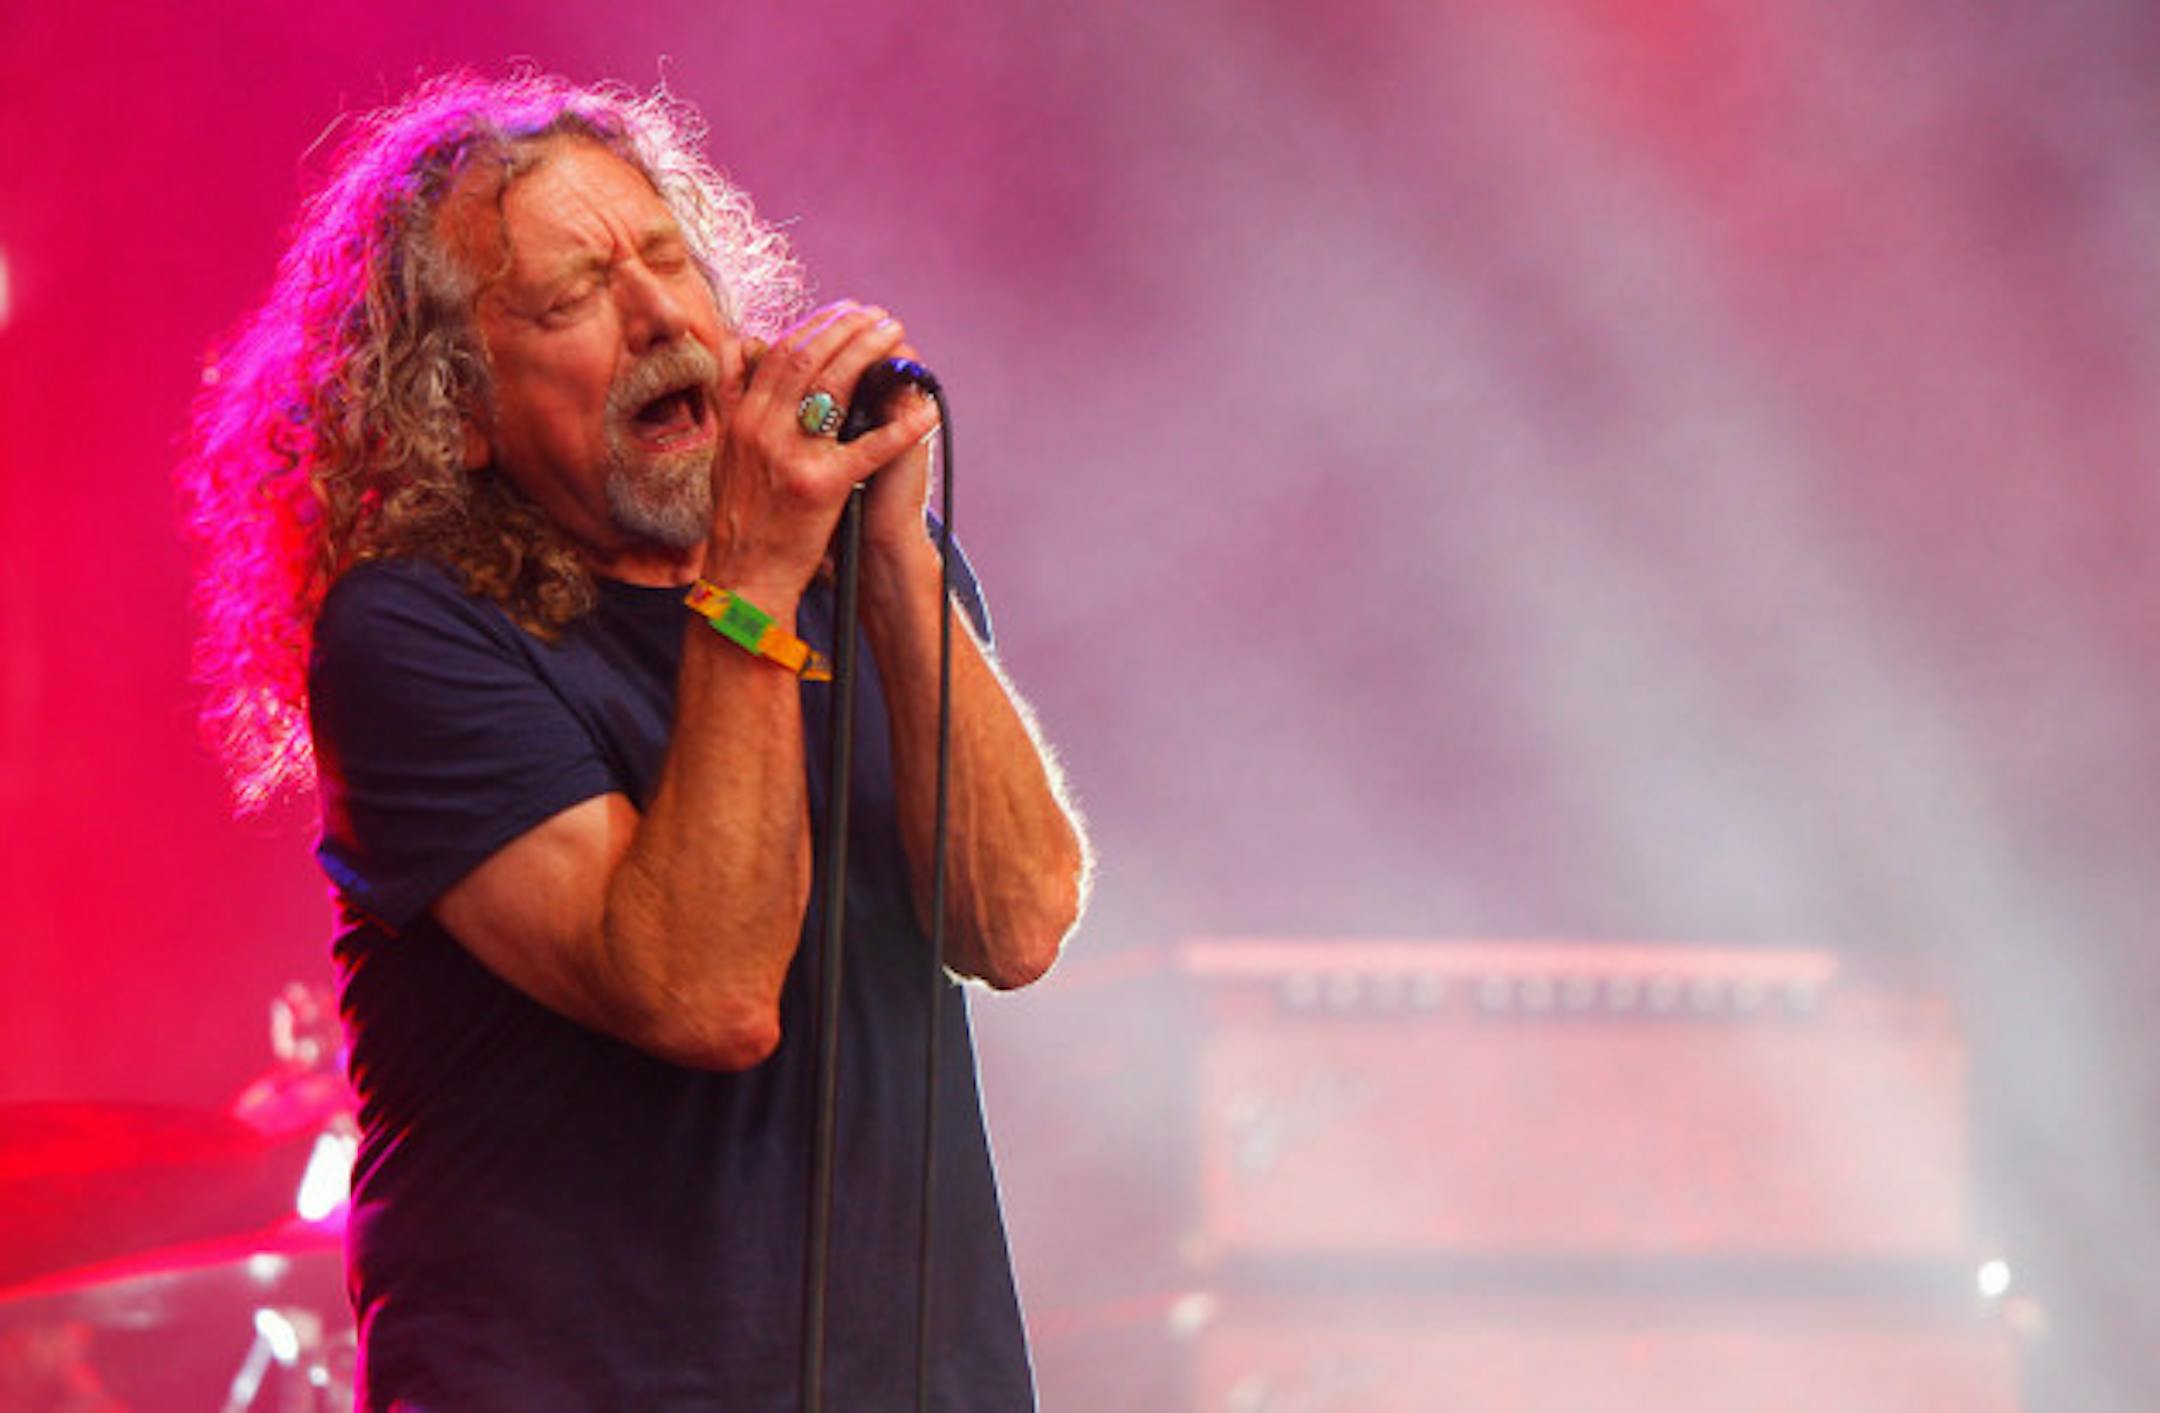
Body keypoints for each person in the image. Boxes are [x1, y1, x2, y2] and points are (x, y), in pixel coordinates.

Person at [179, 71, 1092, 1410]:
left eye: (670, 263)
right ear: (461, 410)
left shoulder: (848, 562)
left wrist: (892, 549)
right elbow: (704, 994)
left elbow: (1014, 923)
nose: (662, 315)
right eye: (573, 299)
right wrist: (759, 574)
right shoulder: (415, 636)